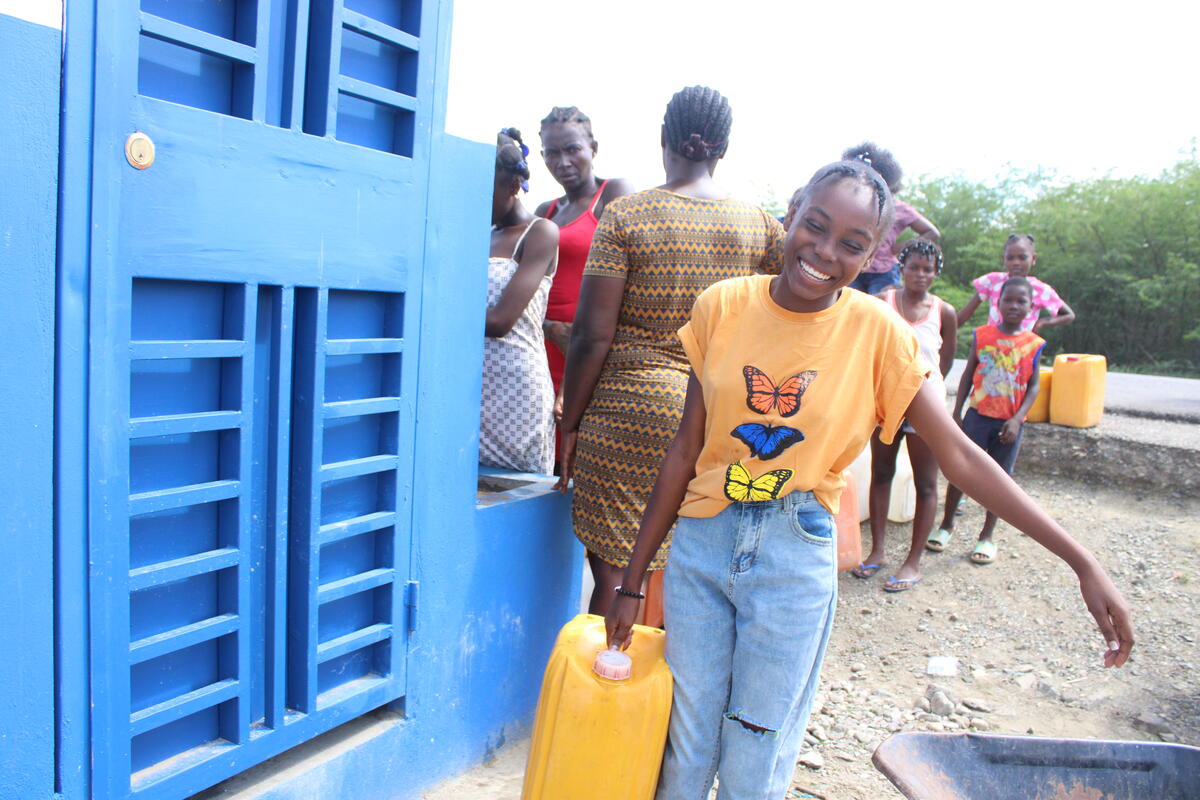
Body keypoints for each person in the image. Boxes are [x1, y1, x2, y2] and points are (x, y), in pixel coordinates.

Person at [604, 161, 1132, 800]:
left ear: (872, 252)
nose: (825, 253)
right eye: (816, 226)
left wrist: (1080, 559)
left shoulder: (879, 333)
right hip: (700, 547)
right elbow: (684, 452)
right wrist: (631, 584)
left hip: (792, 554)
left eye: (852, 244)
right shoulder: (722, 306)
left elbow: (961, 457)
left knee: (755, 748)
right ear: (792, 212)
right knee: (686, 743)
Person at [555, 86, 784, 617]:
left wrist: (569, 420)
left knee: (615, 561)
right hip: (713, 416)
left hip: (627, 409)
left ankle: (612, 679)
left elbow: (592, 334)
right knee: (689, 562)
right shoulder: (763, 227)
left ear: (663, 139)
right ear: (722, 148)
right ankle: (671, 689)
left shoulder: (626, 217)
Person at [852, 238, 957, 591]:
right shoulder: (883, 302)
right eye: (914, 266)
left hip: (927, 407)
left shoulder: (945, 312)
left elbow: (945, 361)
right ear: (901, 267)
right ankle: (877, 551)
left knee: (927, 483)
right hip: (886, 403)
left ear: (936, 273)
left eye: (928, 269)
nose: (920, 274)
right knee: (881, 472)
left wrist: (926, 391)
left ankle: (912, 562)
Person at [930, 277, 1046, 563]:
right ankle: (946, 525)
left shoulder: (1034, 343)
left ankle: (986, 536)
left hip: (1009, 424)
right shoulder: (983, 335)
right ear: (998, 302)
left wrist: (1018, 419)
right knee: (959, 471)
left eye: (1022, 301)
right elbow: (969, 373)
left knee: (1000, 479)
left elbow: (1033, 386)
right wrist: (957, 412)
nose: (1014, 305)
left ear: (1031, 307)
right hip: (977, 417)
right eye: (1009, 300)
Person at [534, 108, 634, 414]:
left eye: (572, 149)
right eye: (552, 153)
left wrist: (581, 336)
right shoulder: (545, 211)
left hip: (595, 348)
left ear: (593, 148)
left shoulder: (613, 193)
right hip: (545, 347)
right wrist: (549, 328)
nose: (562, 162)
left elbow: (635, 271)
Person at [479, 129, 559, 475]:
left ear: (513, 186)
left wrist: (439, 309)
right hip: (474, 382)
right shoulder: (480, 234)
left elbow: (500, 321)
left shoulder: (540, 233)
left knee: (518, 487)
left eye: (485, 189)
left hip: (517, 389)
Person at [842, 142, 940, 295]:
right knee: (849, 309)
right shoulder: (853, 203)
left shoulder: (898, 208)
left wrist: (898, 248)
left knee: (882, 310)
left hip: (884, 271)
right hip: (854, 265)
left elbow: (931, 232)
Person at [956, 233, 1076, 332]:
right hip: (992, 349)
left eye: (1022, 257)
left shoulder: (1040, 289)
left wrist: (1042, 323)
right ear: (1004, 259)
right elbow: (964, 315)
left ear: (1033, 259)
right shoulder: (992, 281)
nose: (1016, 263)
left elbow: (1068, 315)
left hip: (1022, 351)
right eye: (1010, 258)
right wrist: (944, 330)